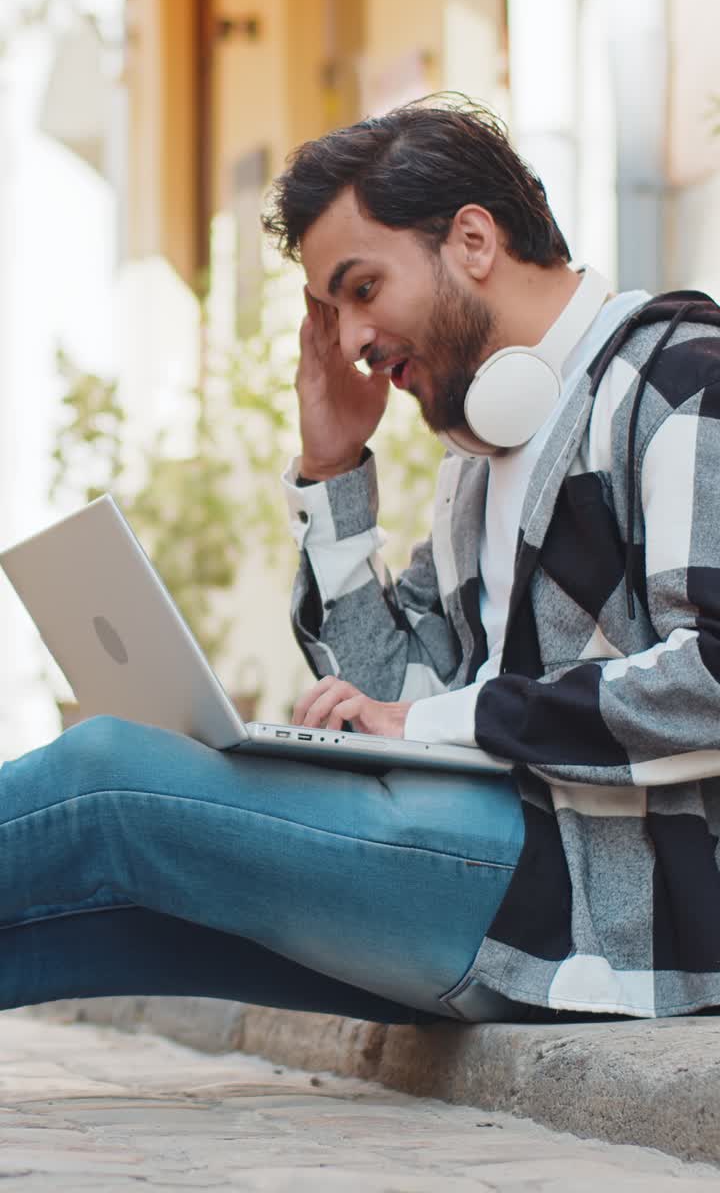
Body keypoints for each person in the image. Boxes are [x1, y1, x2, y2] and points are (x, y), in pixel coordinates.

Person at [3, 99, 720, 1024]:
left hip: (613, 912)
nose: (349, 344)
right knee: (97, 922)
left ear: (471, 241)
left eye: (363, 289)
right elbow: (393, 694)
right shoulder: (479, 455)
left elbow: (709, 675)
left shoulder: (680, 378)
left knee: (105, 775)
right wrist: (334, 474)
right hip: (492, 883)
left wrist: (434, 718)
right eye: (331, 312)